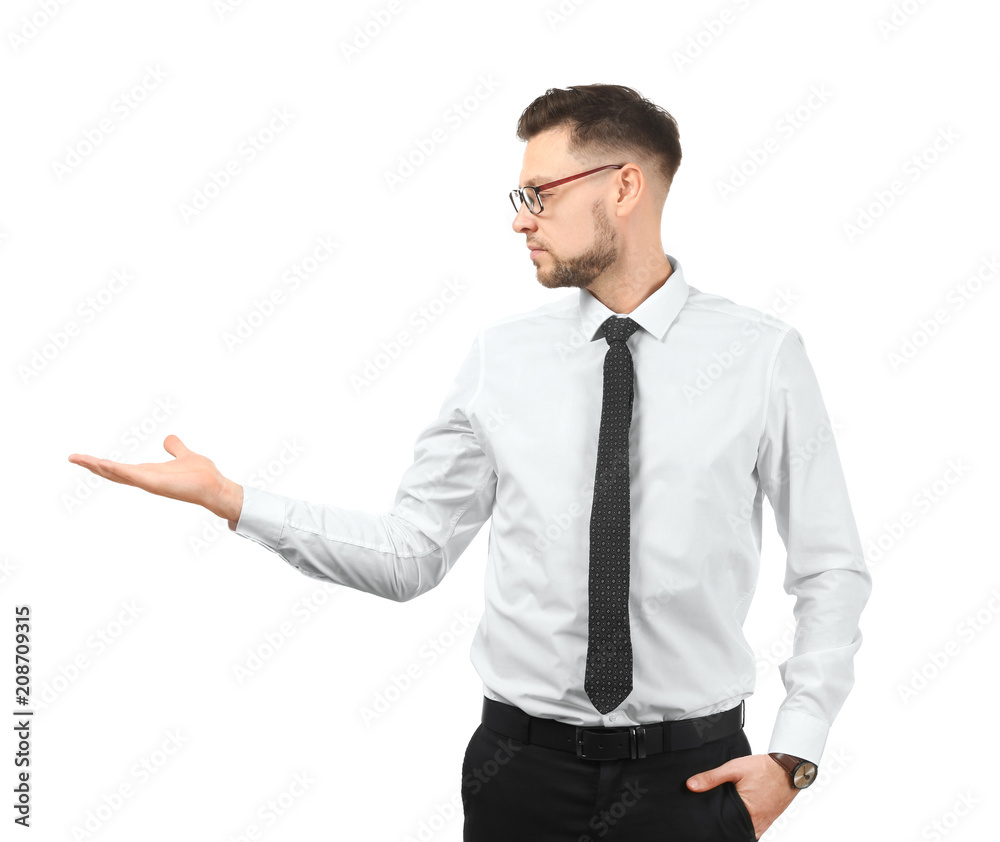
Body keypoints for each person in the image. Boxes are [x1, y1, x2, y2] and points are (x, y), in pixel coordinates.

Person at [69, 83, 872, 841]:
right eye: (521, 198)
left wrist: (792, 756)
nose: (522, 220)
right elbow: (413, 552)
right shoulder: (502, 359)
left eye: (541, 193)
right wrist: (231, 498)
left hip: (697, 783)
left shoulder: (761, 357)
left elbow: (830, 569)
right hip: (519, 777)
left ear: (624, 188)